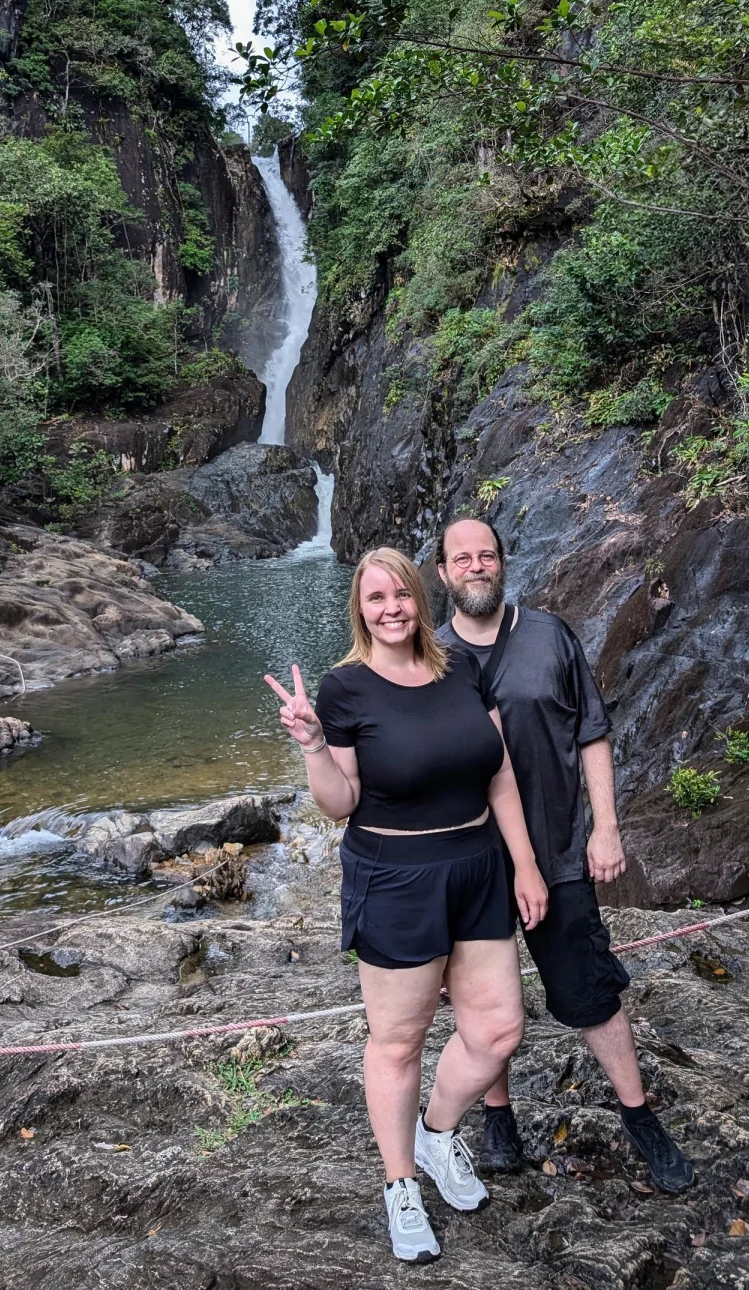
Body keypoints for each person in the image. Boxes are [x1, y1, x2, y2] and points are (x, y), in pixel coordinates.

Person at [266, 546, 548, 1263]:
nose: (390, 609)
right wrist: (312, 745)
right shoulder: (345, 689)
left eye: (401, 595)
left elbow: (501, 773)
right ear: (359, 610)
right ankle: (400, 1185)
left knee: (498, 1030)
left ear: (422, 599)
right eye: (374, 599)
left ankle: (437, 1130)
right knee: (398, 1042)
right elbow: (339, 805)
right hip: (396, 878)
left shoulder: (461, 667)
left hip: (478, 868)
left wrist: (525, 865)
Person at [435, 517, 694, 1193]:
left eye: (486, 554)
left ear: (502, 563)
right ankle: (498, 1118)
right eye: (461, 558)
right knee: (482, 1005)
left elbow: (593, 734)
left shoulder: (549, 636)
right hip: (471, 864)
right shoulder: (431, 660)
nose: (476, 566)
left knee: (592, 991)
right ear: (441, 573)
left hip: (557, 853)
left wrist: (605, 826)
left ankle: (639, 1117)